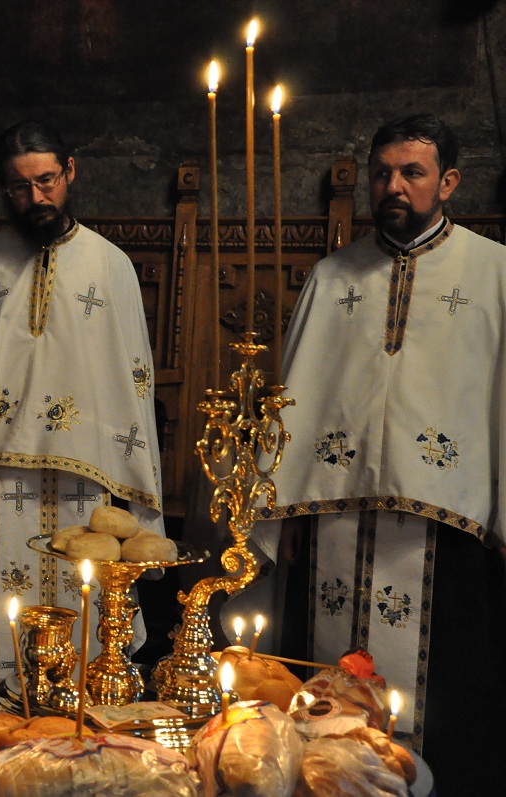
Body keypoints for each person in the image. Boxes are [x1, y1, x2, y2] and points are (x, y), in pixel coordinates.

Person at [247, 114, 506, 794]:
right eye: (382, 172)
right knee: (325, 689)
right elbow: (298, 397)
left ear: (448, 182)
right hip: (334, 518)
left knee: (444, 700)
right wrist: (285, 506)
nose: (393, 185)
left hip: (445, 525)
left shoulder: (494, 272)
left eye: (412, 172)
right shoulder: (334, 276)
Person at [0, 120, 166, 676]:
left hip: (90, 486)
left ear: (70, 171)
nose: (36, 197)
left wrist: (127, 499)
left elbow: (131, 389)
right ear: (4, 188)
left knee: (91, 646)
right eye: (20, 187)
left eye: (46, 181)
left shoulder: (110, 267)